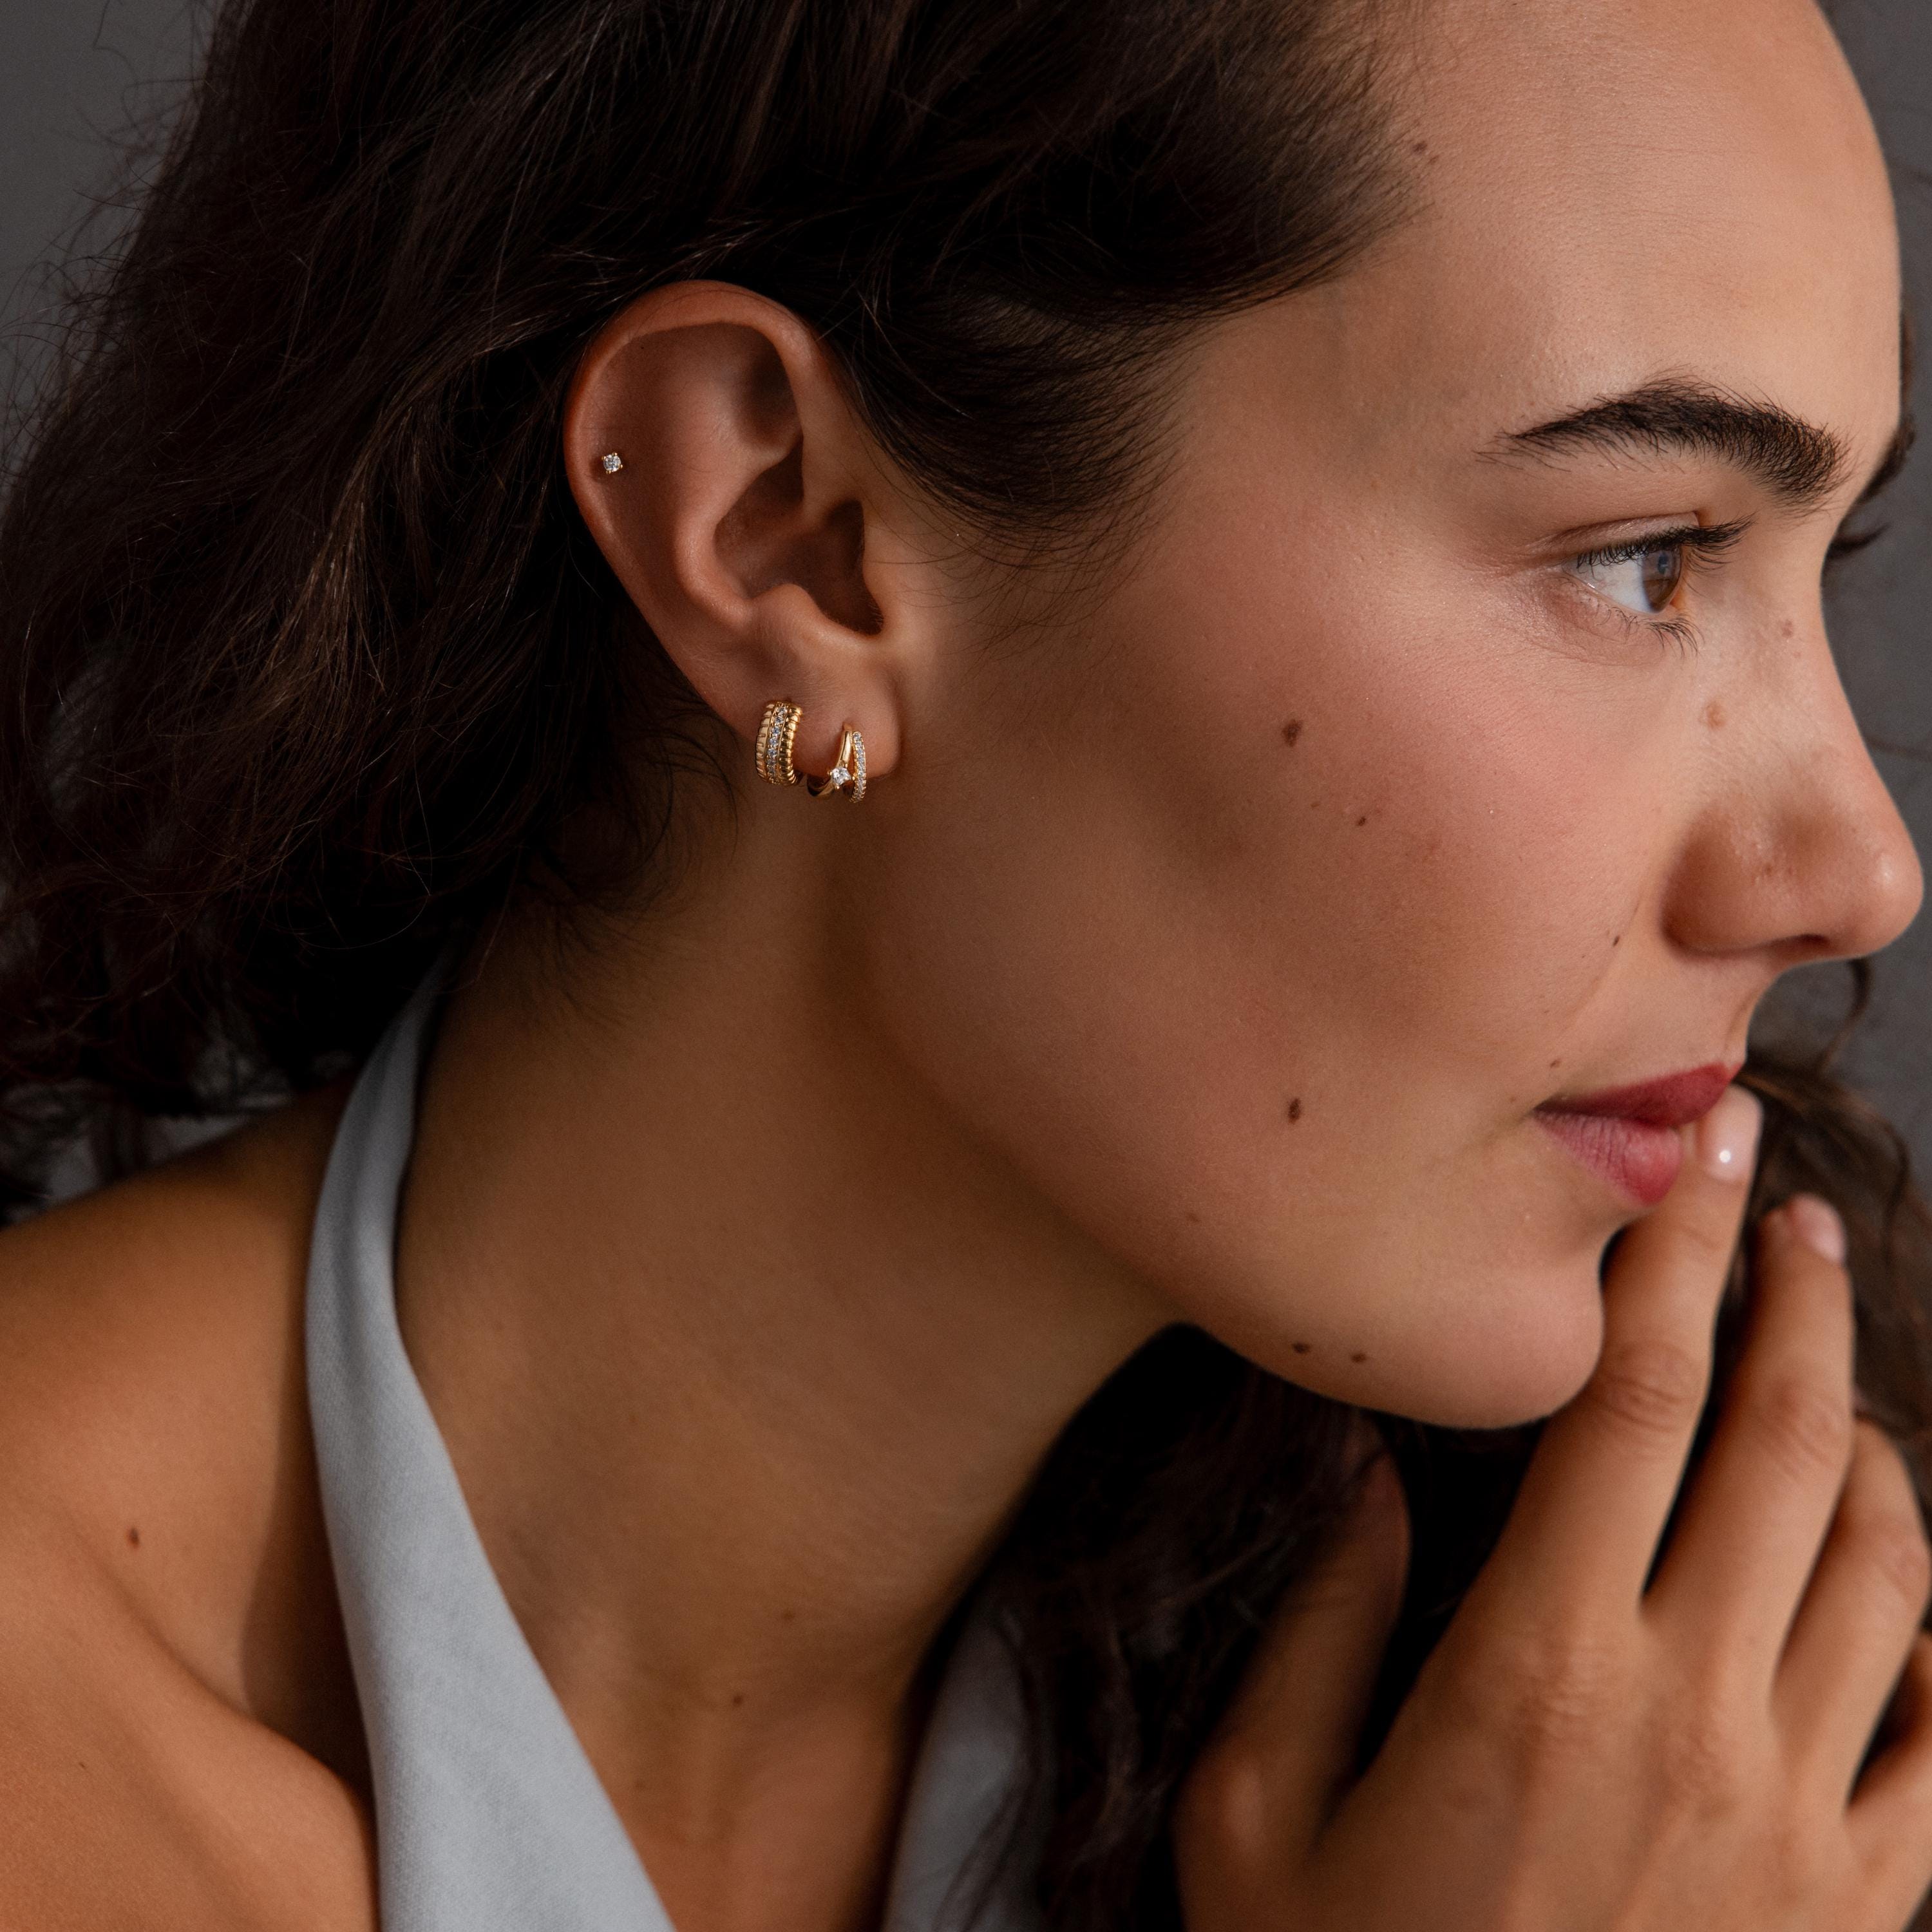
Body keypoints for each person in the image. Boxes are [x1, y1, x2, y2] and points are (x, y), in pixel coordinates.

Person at [2, 0, 1931, 1924]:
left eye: (1813, 566)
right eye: (1645, 560)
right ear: (792, 541)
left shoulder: (1644, 1775)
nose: (1864, 870)